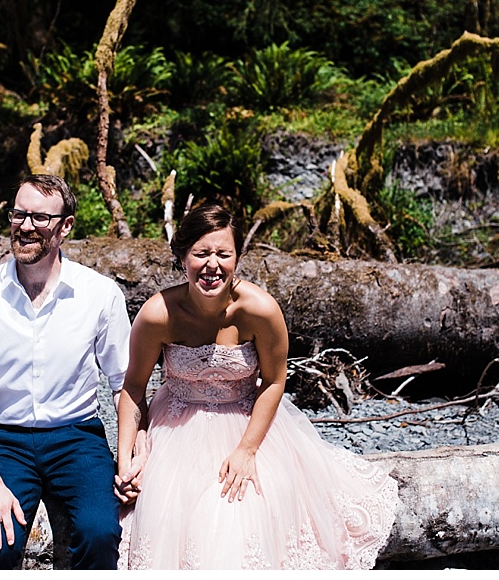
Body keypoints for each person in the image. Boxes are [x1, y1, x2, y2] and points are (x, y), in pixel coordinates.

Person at [114, 203, 400, 570]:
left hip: (247, 422)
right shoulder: (158, 314)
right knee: (162, 512)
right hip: (174, 425)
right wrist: (126, 461)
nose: (212, 265)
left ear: (237, 257)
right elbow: (133, 389)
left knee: (243, 510)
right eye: (201, 253)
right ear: (182, 256)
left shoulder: (260, 309)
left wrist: (247, 451)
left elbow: (274, 381)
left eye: (223, 253)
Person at [0, 174, 131, 570]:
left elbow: (123, 383)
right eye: (18, 214)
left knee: (101, 533)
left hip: (76, 438)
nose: (25, 226)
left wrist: (131, 454)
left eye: (40, 218)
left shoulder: (100, 294)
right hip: (2, 437)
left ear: (66, 226)